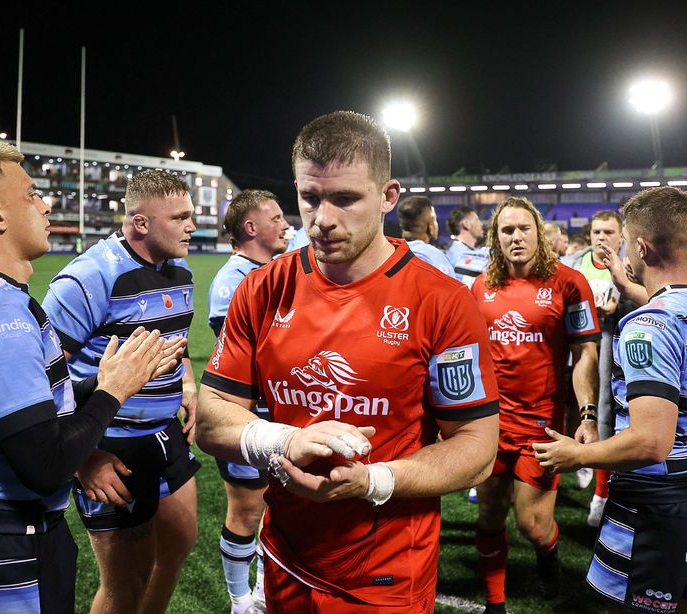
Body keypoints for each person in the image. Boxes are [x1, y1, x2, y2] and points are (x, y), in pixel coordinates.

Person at [196, 110, 500, 612]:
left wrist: (374, 481)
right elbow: (210, 419)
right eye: (310, 197)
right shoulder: (262, 288)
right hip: (285, 557)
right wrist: (284, 439)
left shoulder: (440, 299)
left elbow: (476, 447)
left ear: (388, 196)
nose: (322, 219)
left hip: (387, 574)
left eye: (345, 199)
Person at [0, 138, 180, 613]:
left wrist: (103, 379)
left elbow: (31, 408)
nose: (46, 202)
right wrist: (113, 392)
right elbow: (47, 463)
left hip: (4, 536)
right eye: (31, 194)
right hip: (1, 551)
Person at [535, 186, 687, 614]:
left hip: (659, 505)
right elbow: (676, 316)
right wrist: (630, 287)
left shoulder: (648, 326)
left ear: (641, 247)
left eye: (625, 241)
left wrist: (577, 457)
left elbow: (650, 442)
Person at [42, 170, 200, 613]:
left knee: (176, 548)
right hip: (109, 444)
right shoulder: (87, 278)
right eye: (181, 217)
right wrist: (81, 458)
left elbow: (177, 345)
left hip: (165, 433)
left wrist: (187, 385)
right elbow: (41, 379)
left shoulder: (179, 272)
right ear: (141, 223)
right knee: (125, 582)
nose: (193, 225)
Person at [470, 197, 600, 611]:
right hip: (490, 423)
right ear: (496, 239)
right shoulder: (481, 286)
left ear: (538, 233)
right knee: (489, 515)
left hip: (542, 425)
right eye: (506, 231)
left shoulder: (569, 282)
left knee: (533, 524)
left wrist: (587, 414)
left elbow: (585, 353)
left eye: (523, 228)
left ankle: (548, 554)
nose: (516, 237)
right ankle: (495, 602)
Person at [208, 189, 290, 614]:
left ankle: (261, 592)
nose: (285, 224)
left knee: (278, 506)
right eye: (275, 218)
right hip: (246, 415)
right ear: (252, 228)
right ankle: (241, 600)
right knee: (246, 509)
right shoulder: (231, 281)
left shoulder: (274, 269)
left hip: (279, 413)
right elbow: (248, 355)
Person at [563, 210, 623, 525]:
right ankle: (580, 464)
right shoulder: (576, 264)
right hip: (576, 345)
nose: (601, 238)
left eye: (609, 232)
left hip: (611, 344)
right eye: (597, 232)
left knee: (605, 414)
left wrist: (620, 303)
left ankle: (602, 493)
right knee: (571, 405)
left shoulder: (629, 265)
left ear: (621, 234)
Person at [396, 195, 458, 279]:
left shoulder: (389, 253)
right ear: (431, 227)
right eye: (435, 220)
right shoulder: (434, 257)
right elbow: (452, 290)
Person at [446, 205, 489, 286]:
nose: (481, 224)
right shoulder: (457, 255)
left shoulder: (468, 251)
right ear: (466, 224)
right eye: (477, 219)